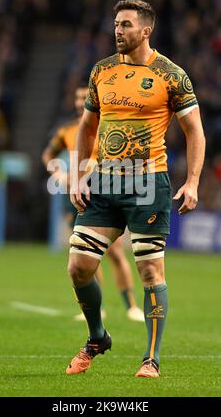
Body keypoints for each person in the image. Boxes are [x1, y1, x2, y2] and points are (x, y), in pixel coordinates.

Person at [66, 0, 205, 377]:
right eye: (116, 23)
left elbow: (194, 131)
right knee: (79, 265)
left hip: (147, 183)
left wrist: (192, 181)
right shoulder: (102, 71)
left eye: (126, 24)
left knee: (150, 272)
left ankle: (151, 359)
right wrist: (79, 175)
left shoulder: (171, 74)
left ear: (146, 30)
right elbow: (86, 128)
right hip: (105, 180)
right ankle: (97, 337)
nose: (118, 30)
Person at [42, 85, 144, 322]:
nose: (80, 103)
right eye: (77, 99)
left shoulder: (106, 127)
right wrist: (58, 174)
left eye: (84, 98)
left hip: (103, 192)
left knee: (116, 253)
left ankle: (131, 305)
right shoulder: (66, 131)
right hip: (77, 195)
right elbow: (48, 155)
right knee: (85, 253)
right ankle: (95, 307)